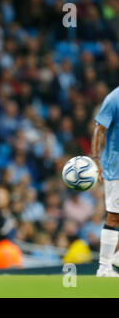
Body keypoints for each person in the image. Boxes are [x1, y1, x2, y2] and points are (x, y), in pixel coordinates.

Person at [91, 86, 119, 277]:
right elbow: (99, 130)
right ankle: (104, 267)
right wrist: (96, 159)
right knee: (114, 216)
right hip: (116, 167)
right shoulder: (114, 98)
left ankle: (116, 257)